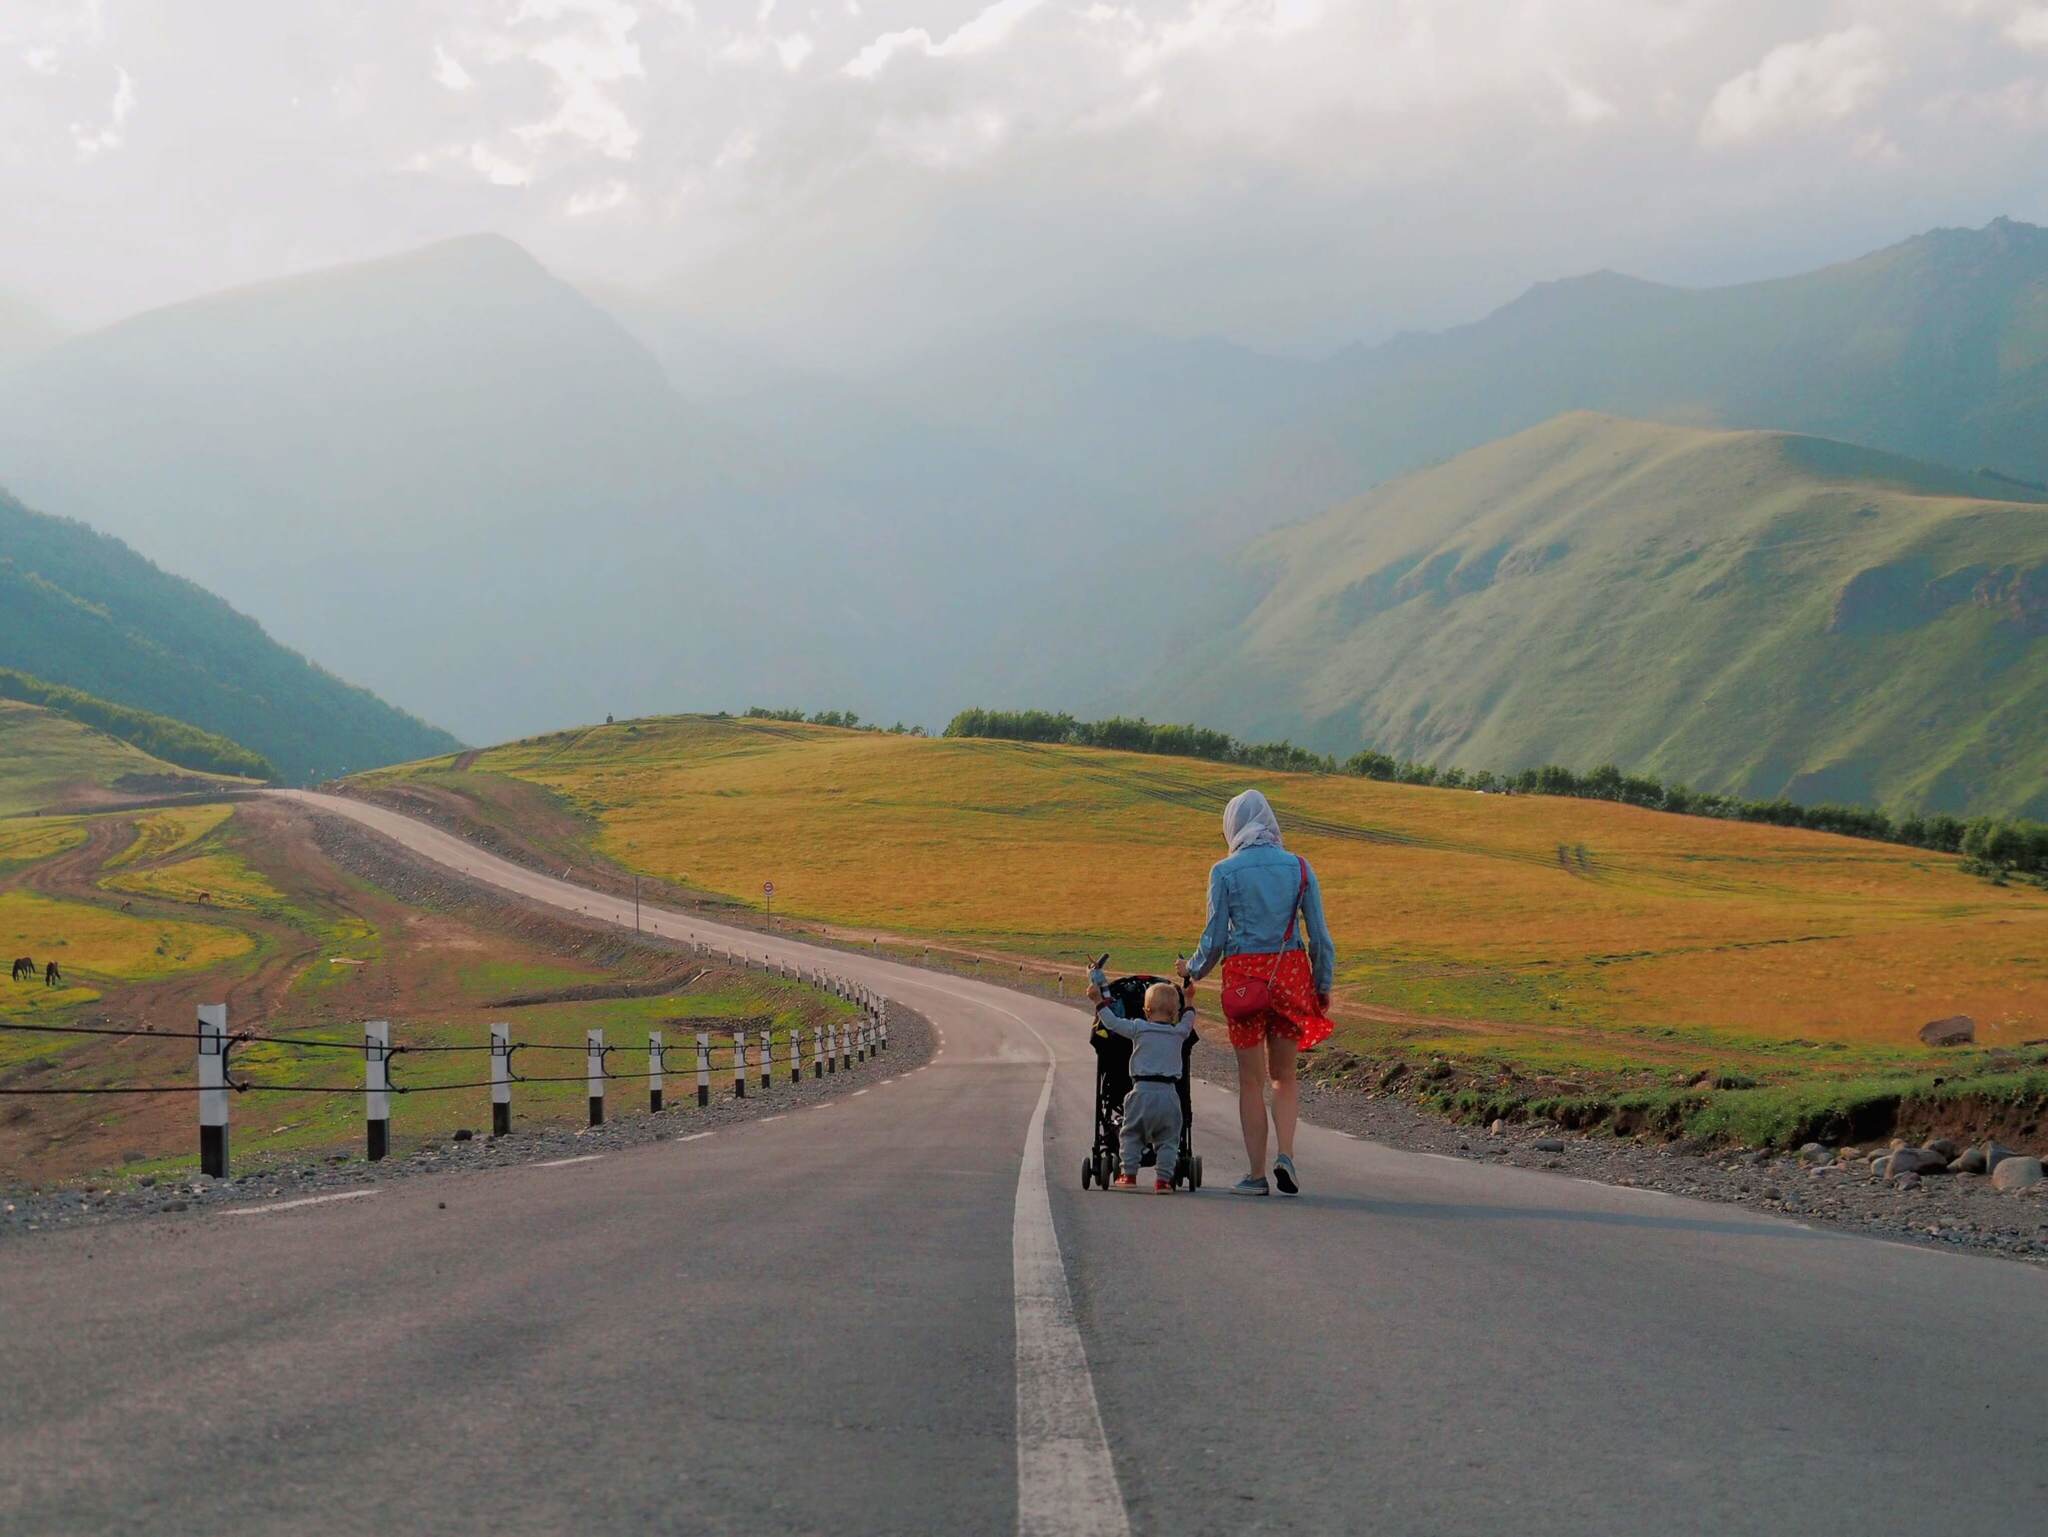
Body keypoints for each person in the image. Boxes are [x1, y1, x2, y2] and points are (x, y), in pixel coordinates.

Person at [1177, 789, 1335, 1197]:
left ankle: (1255, 1175)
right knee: (1285, 1077)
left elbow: (1214, 939)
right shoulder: (1300, 868)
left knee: (1251, 1082)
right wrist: (1321, 986)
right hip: (1292, 976)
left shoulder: (1225, 871)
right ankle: (1287, 1155)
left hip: (1246, 980)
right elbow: (1319, 938)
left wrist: (1191, 971)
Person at [1088, 967, 1196, 1192]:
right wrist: (1189, 1000)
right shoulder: (1179, 1032)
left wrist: (1098, 1001)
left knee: (1131, 1133)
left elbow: (1112, 1023)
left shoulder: (1138, 1028)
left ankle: (1128, 1174)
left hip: (1141, 1093)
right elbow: (1189, 1019)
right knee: (1168, 1140)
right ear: (1174, 1012)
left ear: (1146, 1010)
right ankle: (1164, 1180)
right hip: (1169, 1096)